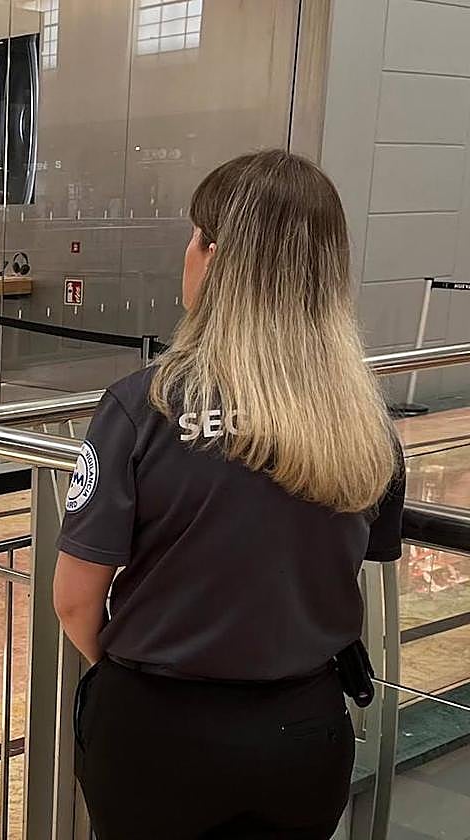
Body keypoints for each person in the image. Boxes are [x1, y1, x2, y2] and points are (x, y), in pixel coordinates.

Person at [53, 150, 405, 839]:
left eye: (195, 236)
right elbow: (343, 568)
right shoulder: (367, 423)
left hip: (157, 731)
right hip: (304, 729)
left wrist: (145, 680)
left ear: (216, 259)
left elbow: (73, 600)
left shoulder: (142, 406)